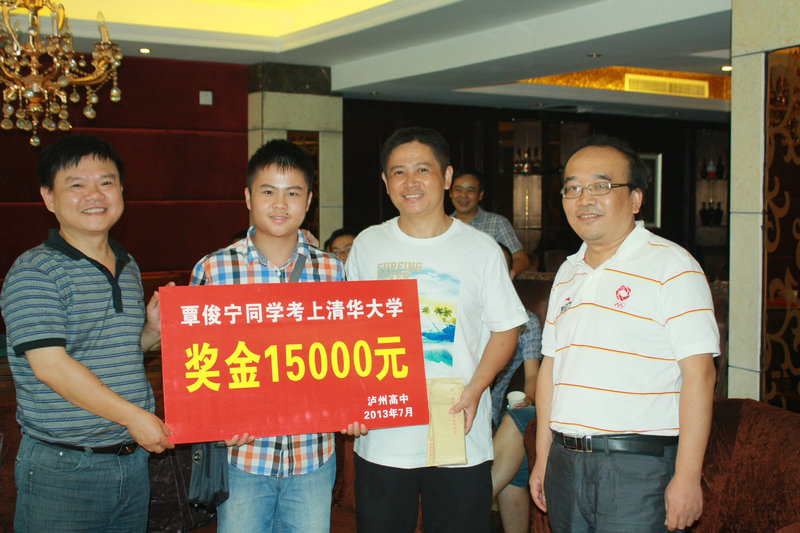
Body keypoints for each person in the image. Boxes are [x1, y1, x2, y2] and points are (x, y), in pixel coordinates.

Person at [529, 135, 719, 532]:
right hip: (565, 462)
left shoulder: (673, 266)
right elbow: (550, 370)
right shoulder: (568, 271)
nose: (584, 199)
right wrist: (543, 458)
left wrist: (687, 476)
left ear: (635, 198)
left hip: (637, 469)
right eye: (572, 188)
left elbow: (700, 374)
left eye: (600, 186)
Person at [343, 127, 528, 533]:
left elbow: (505, 330)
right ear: (385, 182)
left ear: (446, 177)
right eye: (399, 172)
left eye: (422, 170)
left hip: (457, 428)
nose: (410, 182)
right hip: (385, 432)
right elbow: (351, 331)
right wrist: (350, 399)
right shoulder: (369, 245)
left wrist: (476, 388)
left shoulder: (480, 248)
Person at [1, 134, 175, 532]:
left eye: (106, 182)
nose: (94, 195)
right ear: (48, 198)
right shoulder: (34, 272)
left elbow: (118, 352)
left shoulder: (127, 264)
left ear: (121, 191)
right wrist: (134, 417)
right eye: (76, 185)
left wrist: (151, 330)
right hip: (64, 469)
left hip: (130, 462)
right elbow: (52, 367)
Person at [190, 139, 344, 533]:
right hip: (243, 456)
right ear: (248, 197)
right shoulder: (214, 270)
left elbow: (343, 356)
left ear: (308, 201)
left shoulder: (332, 271)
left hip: (313, 455)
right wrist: (217, 420)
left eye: (293, 193)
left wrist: (354, 407)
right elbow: (195, 364)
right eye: (268, 191)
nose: (280, 204)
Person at [490, 242, 542, 533]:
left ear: (511, 274)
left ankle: (468, 506)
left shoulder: (526, 322)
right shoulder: (458, 314)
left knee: (515, 421)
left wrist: (530, 397)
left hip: (495, 411)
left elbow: (533, 376)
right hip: (458, 405)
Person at [449, 167, 530, 277]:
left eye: (470, 190)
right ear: (451, 193)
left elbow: (521, 259)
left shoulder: (497, 223)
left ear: (480, 195)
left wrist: (501, 278)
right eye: (458, 189)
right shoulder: (443, 225)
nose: (463, 196)